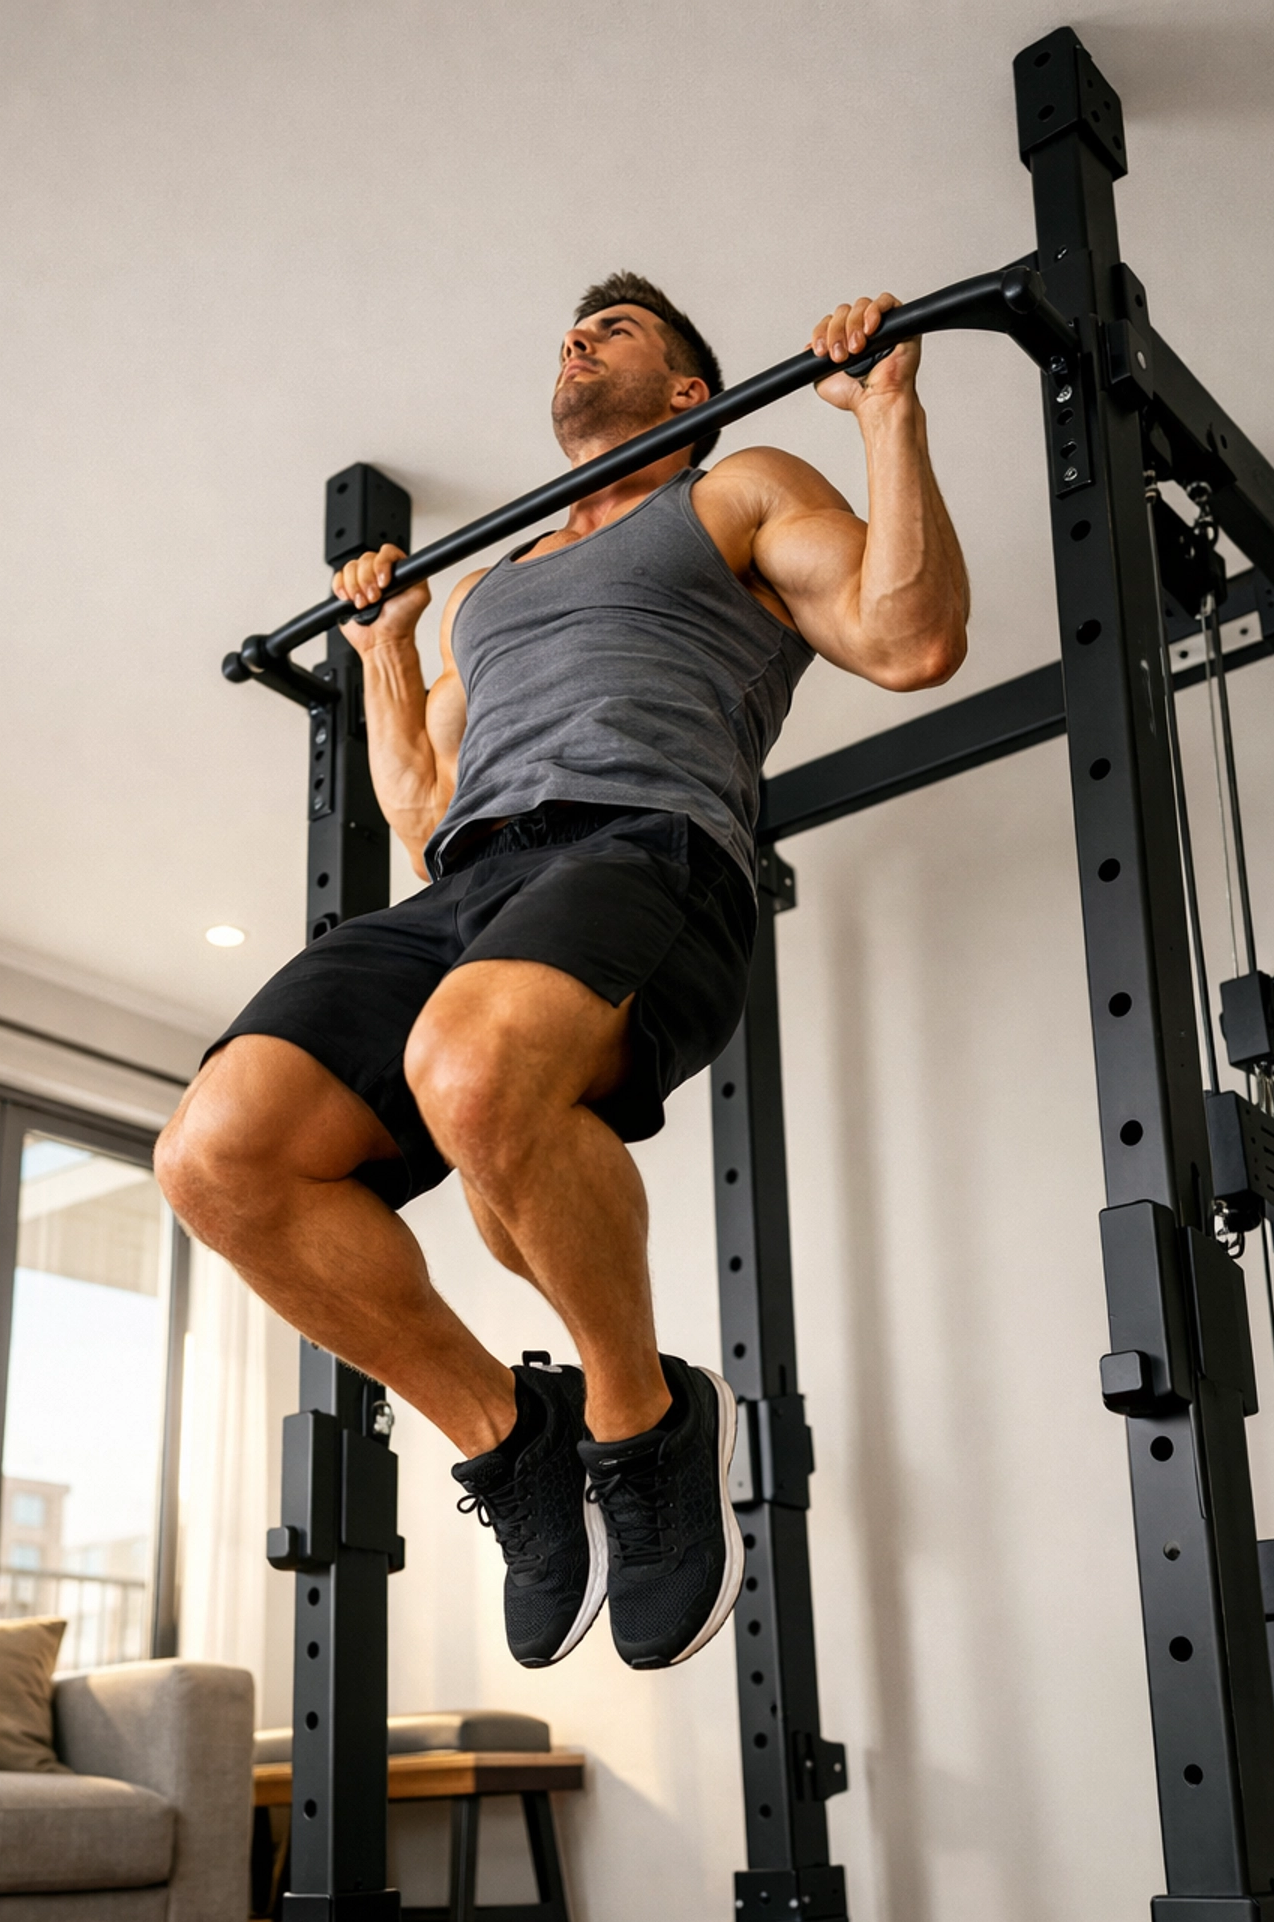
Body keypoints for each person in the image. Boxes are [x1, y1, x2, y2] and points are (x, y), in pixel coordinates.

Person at [155, 272, 969, 1674]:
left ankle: (641, 1423)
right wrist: (386, 651)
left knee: (469, 1069)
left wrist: (887, 413)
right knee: (216, 1160)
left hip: (649, 848)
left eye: (618, 330)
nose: (578, 340)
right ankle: (507, 1440)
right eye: (570, 331)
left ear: (686, 394)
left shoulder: (737, 488)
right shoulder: (489, 588)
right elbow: (420, 813)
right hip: (477, 881)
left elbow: (911, 638)